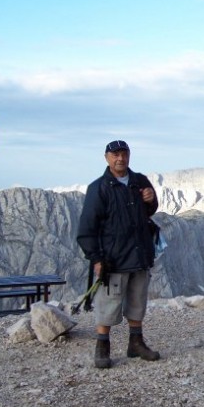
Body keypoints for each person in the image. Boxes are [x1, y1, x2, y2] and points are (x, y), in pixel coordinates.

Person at [77, 140, 161, 369]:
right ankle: (102, 348)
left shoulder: (139, 181)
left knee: (137, 301)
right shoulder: (99, 188)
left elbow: (150, 210)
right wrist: (95, 258)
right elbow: (87, 227)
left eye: (124, 154)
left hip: (140, 253)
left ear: (129, 156)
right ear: (106, 158)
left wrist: (151, 200)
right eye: (115, 155)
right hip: (113, 259)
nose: (120, 159)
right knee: (108, 304)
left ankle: (136, 344)